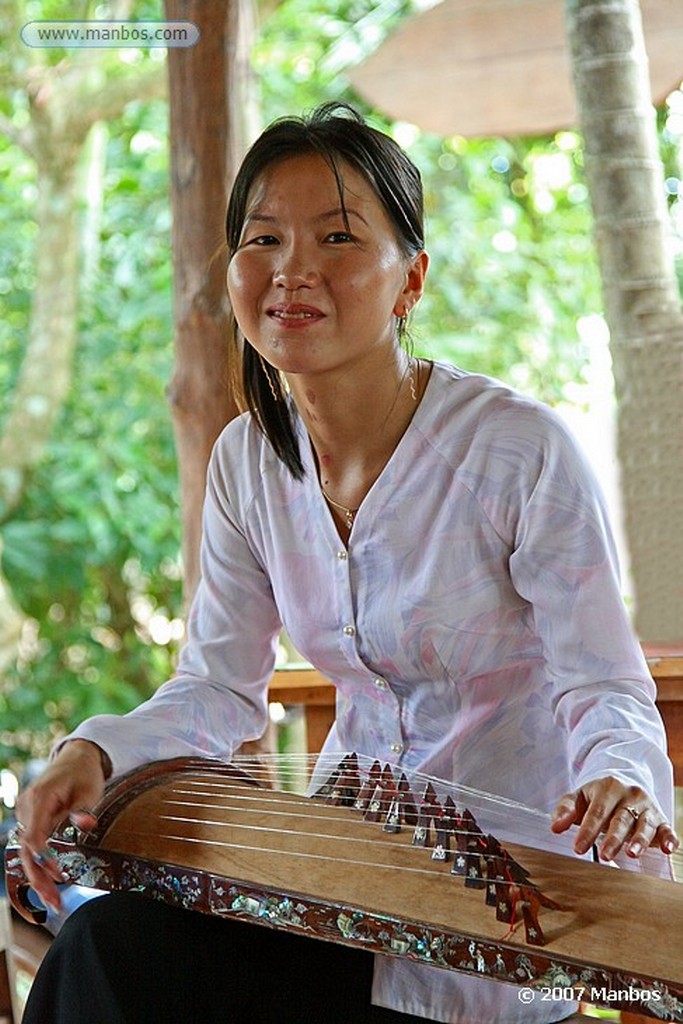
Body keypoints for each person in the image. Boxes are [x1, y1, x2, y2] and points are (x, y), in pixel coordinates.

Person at [15, 102, 678, 1024]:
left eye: (336, 236)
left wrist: (623, 779)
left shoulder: (514, 452)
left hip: (506, 917)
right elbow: (216, 689)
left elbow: (602, 683)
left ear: (410, 280)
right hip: (339, 888)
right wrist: (96, 748)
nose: (293, 270)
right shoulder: (248, 461)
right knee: (110, 949)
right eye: (264, 239)